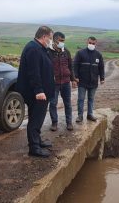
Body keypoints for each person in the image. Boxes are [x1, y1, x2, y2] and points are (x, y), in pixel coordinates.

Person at [16, 26, 55, 158]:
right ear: (44, 37)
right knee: (35, 120)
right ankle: (34, 148)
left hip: (42, 92)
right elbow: (34, 73)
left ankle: (37, 141)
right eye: (50, 38)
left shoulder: (40, 48)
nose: (51, 41)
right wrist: (39, 90)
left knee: (37, 117)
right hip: (37, 93)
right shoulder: (33, 49)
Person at [48, 32, 77, 131]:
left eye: (63, 41)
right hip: (53, 83)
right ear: (55, 40)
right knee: (53, 103)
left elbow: (70, 66)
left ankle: (69, 123)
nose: (62, 43)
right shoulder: (48, 52)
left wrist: (73, 79)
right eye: (61, 41)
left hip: (65, 82)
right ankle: (54, 123)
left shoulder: (66, 52)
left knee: (67, 103)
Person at [74, 37, 105, 123]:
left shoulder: (98, 54)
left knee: (91, 99)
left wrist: (102, 78)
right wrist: (75, 77)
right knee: (81, 99)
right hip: (82, 81)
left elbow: (101, 67)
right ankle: (80, 116)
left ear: (96, 44)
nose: (91, 45)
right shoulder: (80, 53)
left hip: (93, 81)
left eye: (93, 43)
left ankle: (90, 114)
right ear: (87, 42)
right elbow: (75, 65)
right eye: (90, 43)